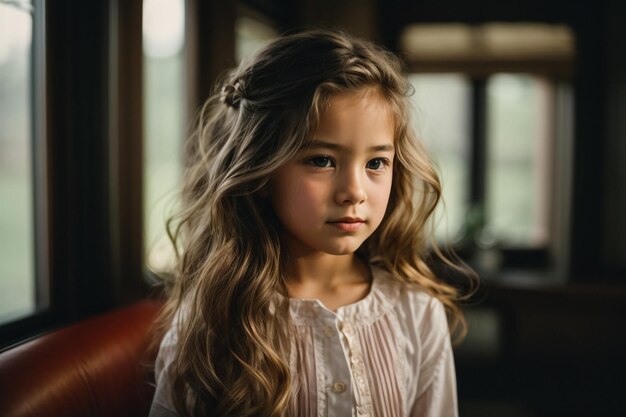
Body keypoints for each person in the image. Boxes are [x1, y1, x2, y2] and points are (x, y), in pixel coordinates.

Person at [149, 29, 472, 417]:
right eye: (322, 160)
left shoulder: (417, 314)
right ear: (261, 171)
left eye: (375, 163)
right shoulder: (212, 322)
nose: (354, 192)